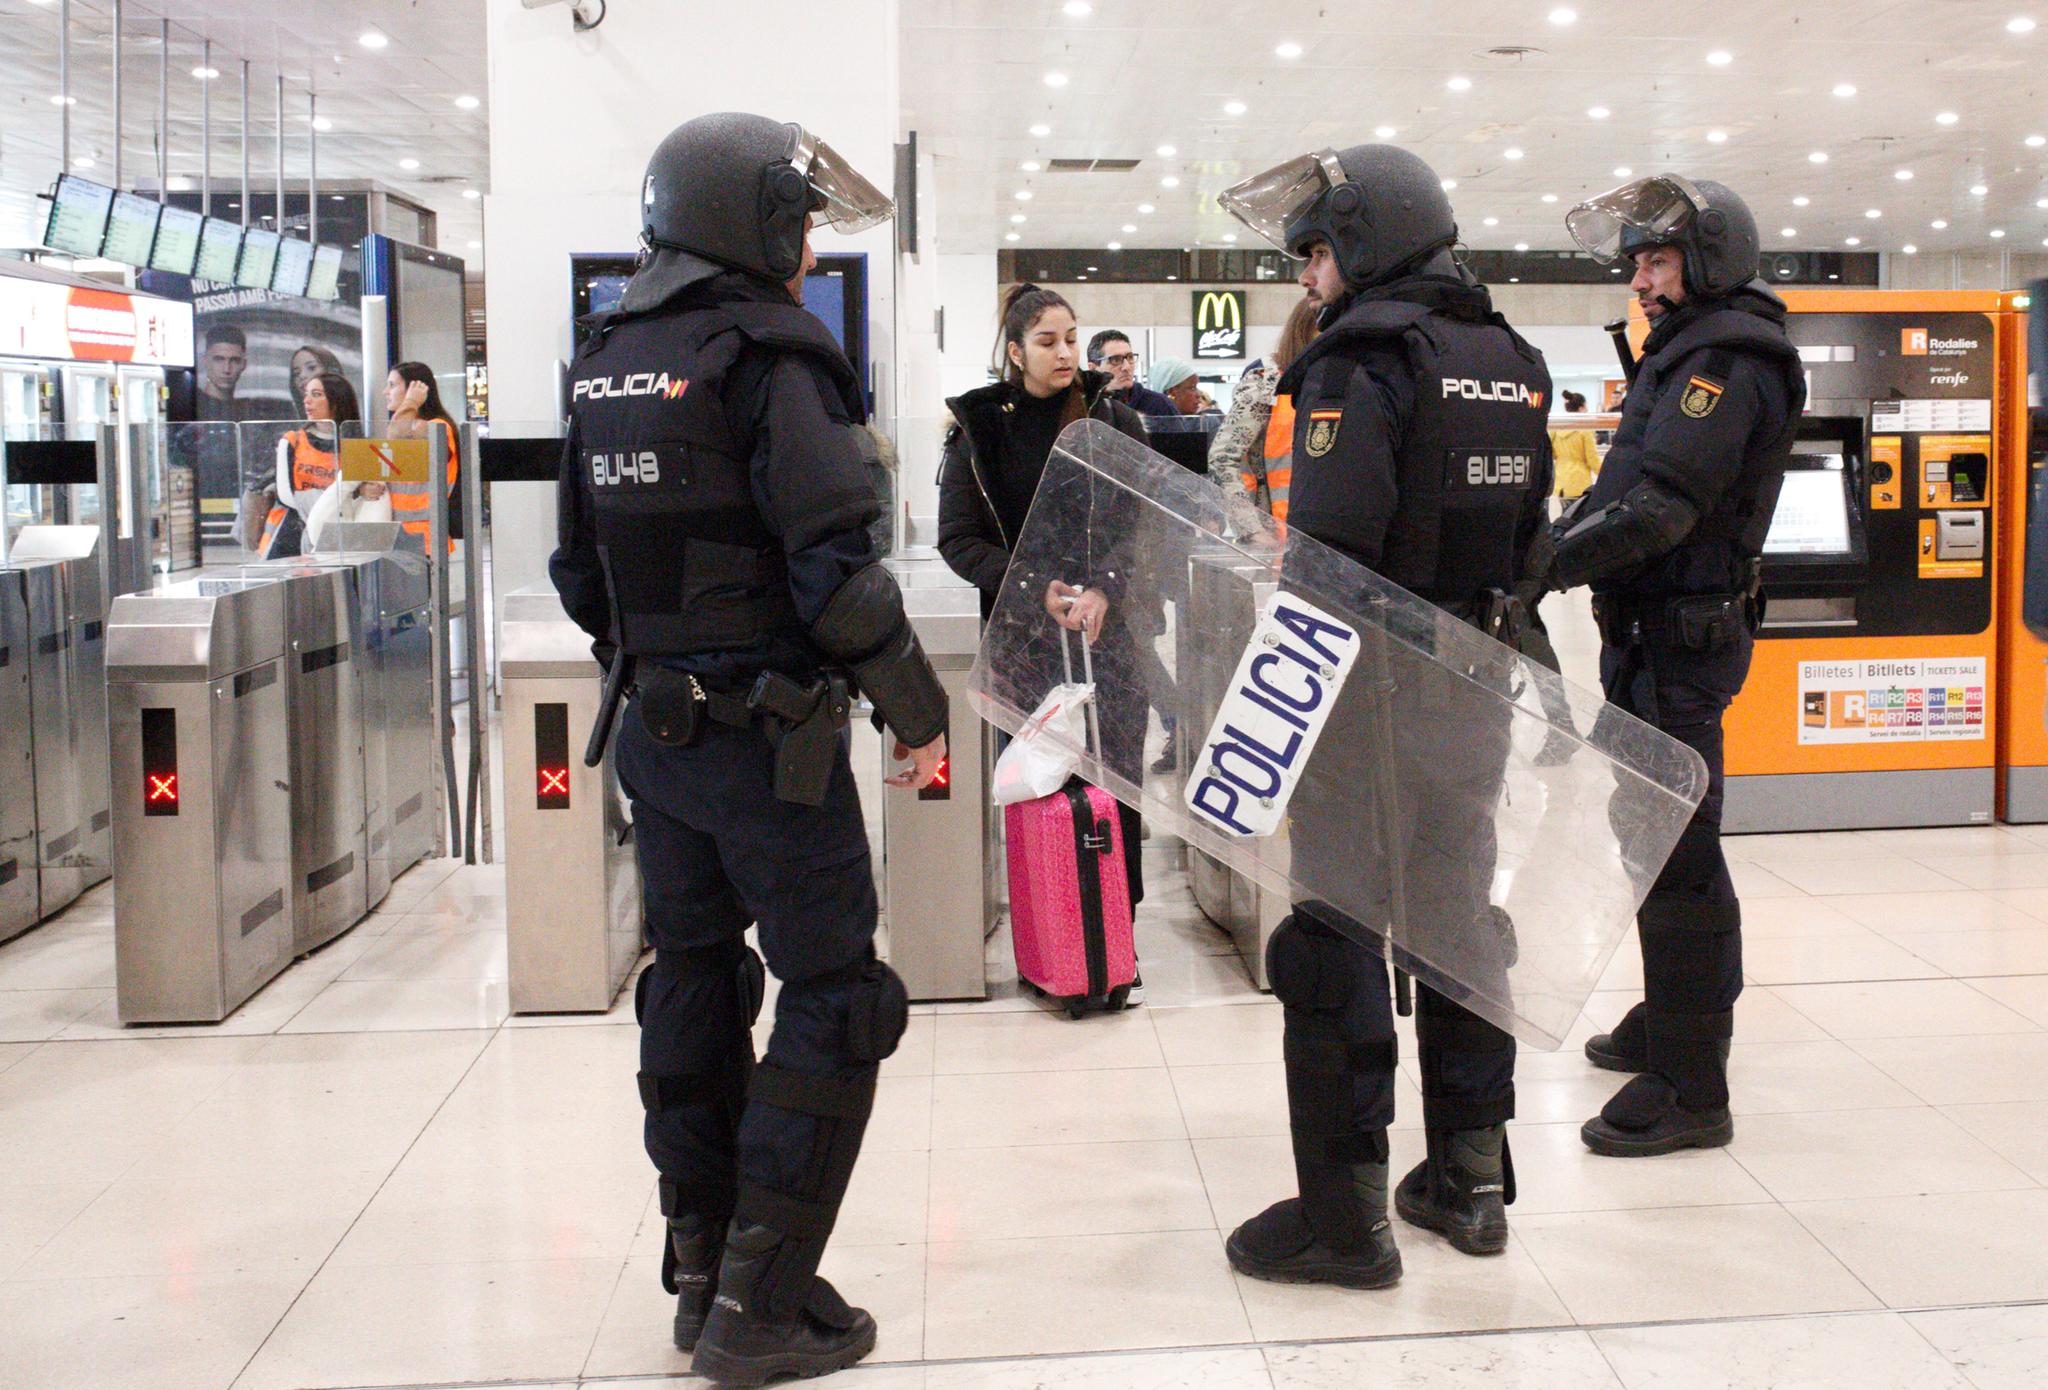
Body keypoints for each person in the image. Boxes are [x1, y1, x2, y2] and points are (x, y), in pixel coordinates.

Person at [549, 112, 944, 1387]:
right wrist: (918, 709)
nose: (812, 239)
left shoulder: (605, 355)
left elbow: (575, 568)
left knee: (694, 976)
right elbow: (837, 572)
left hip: (653, 738)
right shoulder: (777, 356)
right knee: (838, 994)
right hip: (772, 743)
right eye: (802, 215)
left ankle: (701, 1260)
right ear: (757, 218)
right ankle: (762, 1300)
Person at [1217, 142, 1553, 1289]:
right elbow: (1527, 543)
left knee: (1334, 940)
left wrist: (1271, 718)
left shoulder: (1358, 360)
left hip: (1363, 695)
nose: (1307, 276)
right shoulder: (1508, 357)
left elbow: (1327, 564)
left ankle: (1342, 1216)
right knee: (1459, 929)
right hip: (1471, 684)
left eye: (1313, 250)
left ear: (1360, 242)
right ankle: (1469, 1179)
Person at [1543, 174, 1804, 1157]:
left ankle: (1693, 1084)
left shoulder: (1725, 359)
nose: (1640, 279)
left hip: (1680, 636)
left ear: (1706, 257)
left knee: (1679, 855)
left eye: (1654, 259)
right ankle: (1672, 1014)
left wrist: (1536, 569)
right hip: (1653, 630)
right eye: (1635, 263)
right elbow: (1626, 492)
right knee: (1653, 840)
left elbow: (1658, 509)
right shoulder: (1687, 350)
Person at [937, 283, 1153, 949]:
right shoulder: (977, 432)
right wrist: (1033, 587)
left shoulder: (1114, 423)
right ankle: (1052, 941)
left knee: (1114, 789)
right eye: (1046, 341)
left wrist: (1105, 588)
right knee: (1038, 790)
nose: (1064, 353)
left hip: (1109, 640)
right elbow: (959, 540)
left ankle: (1119, 940)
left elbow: (1142, 526)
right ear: (1014, 350)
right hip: (1025, 648)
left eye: (1069, 337)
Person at [1206, 296, 1320, 518]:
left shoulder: (1338, 382)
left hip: (1321, 530)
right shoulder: (1266, 379)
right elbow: (1223, 457)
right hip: (1277, 533)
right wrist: (1250, 527)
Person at [257, 371, 359, 558]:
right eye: (306, 394)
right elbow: (286, 494)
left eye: (316, 394)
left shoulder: (356, 444)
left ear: (336, 401)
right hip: (292, 535)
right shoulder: (293, 441)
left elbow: (359, 493)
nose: (307, 401)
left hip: (338, 536)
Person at [362, 361, 462, 552]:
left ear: (415, 388)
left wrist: (411, 402)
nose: (386, 392)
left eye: (392, 385)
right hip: (394, 533)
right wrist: (367, 488)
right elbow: (387, 468)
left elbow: (397, 436)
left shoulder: (436, 427)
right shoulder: (412, 427)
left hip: (423, 537)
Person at [1084, 329, 1178, 417]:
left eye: (1130, 357)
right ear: (1093, 368)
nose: (1127, 367)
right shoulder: (1082, 406)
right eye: (1116, 360)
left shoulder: (1160, 405)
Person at [1550, 390, 1603, 501]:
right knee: (1579, 516)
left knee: (1565, 515)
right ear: (1581, 407)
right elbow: (1592, 459)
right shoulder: (1584, 429)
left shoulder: (1556, 427)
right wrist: (1605, 474)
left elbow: (1552, 454)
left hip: (1561, 481)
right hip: (1579, 481)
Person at [197, 325, 252, 421]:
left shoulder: (247, 412)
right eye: (218, 359)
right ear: (204, 361)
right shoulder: (193, 406)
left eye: (234, 360)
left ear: (244, 364)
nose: (226, 369)